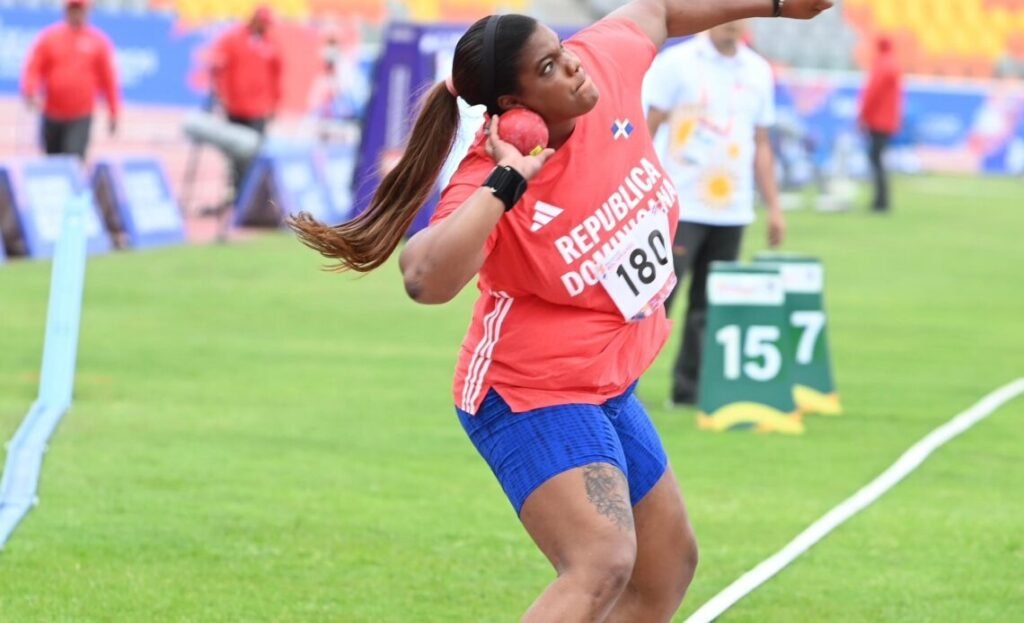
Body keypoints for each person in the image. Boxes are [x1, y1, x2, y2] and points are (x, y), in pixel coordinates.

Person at [288, 1, 832, 620]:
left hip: (606, 383)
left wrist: (781, 3)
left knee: (667, 565)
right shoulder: (493, 174)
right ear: (516, 111)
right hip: (529, 391)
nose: (572, 64)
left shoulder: (603, 64)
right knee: (601, 561)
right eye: (549, 66)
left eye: (560, 47)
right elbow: (424, 277)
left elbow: (658, 7)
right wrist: (507, 180)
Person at [645, 21, 784, 406]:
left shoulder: (758, 70)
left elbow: (761, 143)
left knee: (708, 308)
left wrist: (774, 207)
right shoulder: (677, 62)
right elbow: (649, 127)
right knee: (655, 303)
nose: (734, 20)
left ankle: (687, 393)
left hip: (732, 209)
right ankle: (619, 388)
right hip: (678, 204)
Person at [21, 0, 120, 160]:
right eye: (72, 9)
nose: (76, 13)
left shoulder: (98, 42)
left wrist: (114, 111)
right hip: (51, 113)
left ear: (87, 12)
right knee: (51, 162)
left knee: (73, 161)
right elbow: (33, 68)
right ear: (66, 11)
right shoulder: (50, 38)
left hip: (80, 115)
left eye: (79, 9)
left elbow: (109, 80)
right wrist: (30, 91)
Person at [210, 5, 282, 196]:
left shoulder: (270, 44)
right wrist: (222, 95)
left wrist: (274, 103)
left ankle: (251, 193)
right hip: (235, 106)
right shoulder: (233, 39)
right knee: (235, 152)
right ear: (255, 21)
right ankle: (237, 190)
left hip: (259, 108)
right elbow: (219, 69)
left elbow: (276, 76)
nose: (266, 28)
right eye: (264, 24)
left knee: (255, 152)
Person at [858, 35, 902, 213]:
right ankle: (882, 200)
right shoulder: (893, 64)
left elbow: (871, 94)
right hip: (888, 121)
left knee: (876, 159)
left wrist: (863, 115)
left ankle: (880, 201)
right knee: (878, 159)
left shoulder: (881, 66)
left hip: (877, 121)